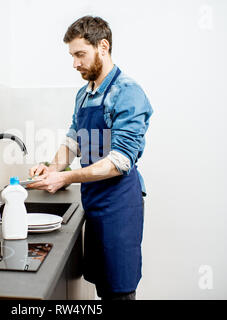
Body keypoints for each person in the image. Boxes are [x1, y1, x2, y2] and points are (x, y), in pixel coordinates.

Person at [28, 16, 153, 300]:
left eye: (80, 54)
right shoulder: (84, 95)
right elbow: (73, 141)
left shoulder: (128, 93)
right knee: (102, 287)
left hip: (119, 204)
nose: (75, 63)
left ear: (103, 47)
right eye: (72, 56)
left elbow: (119, 161)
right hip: (93, 201)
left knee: (119, 290)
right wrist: (50, 168)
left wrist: (66, 177)